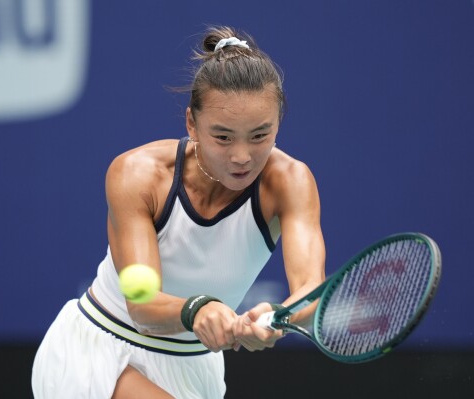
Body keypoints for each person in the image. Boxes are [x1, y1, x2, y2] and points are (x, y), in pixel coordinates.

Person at [31, 26, 325, 399]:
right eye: (222, 137)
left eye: (259, 135)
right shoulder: (138, 173)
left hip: (193, 368)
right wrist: (198, 308)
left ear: (279, 121)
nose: (241, 156)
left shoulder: (291, 182)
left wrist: (277, 318)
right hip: (100, 350)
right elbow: (142, 305)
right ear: (191, 123)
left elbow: (310, 293)